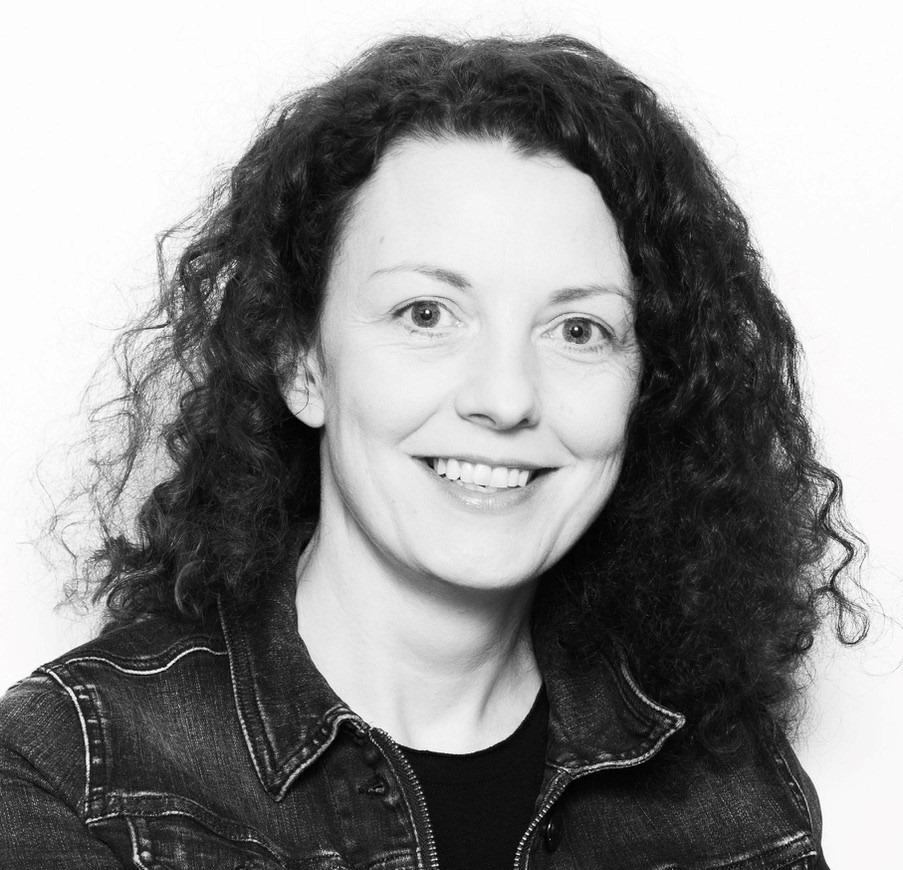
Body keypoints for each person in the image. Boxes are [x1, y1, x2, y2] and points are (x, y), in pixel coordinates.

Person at [0, 33, 865, 868]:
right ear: (300, 363)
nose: (505, 397)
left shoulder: (726, 788)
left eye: (578, 329)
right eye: (425, 315)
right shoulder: (71, 772)